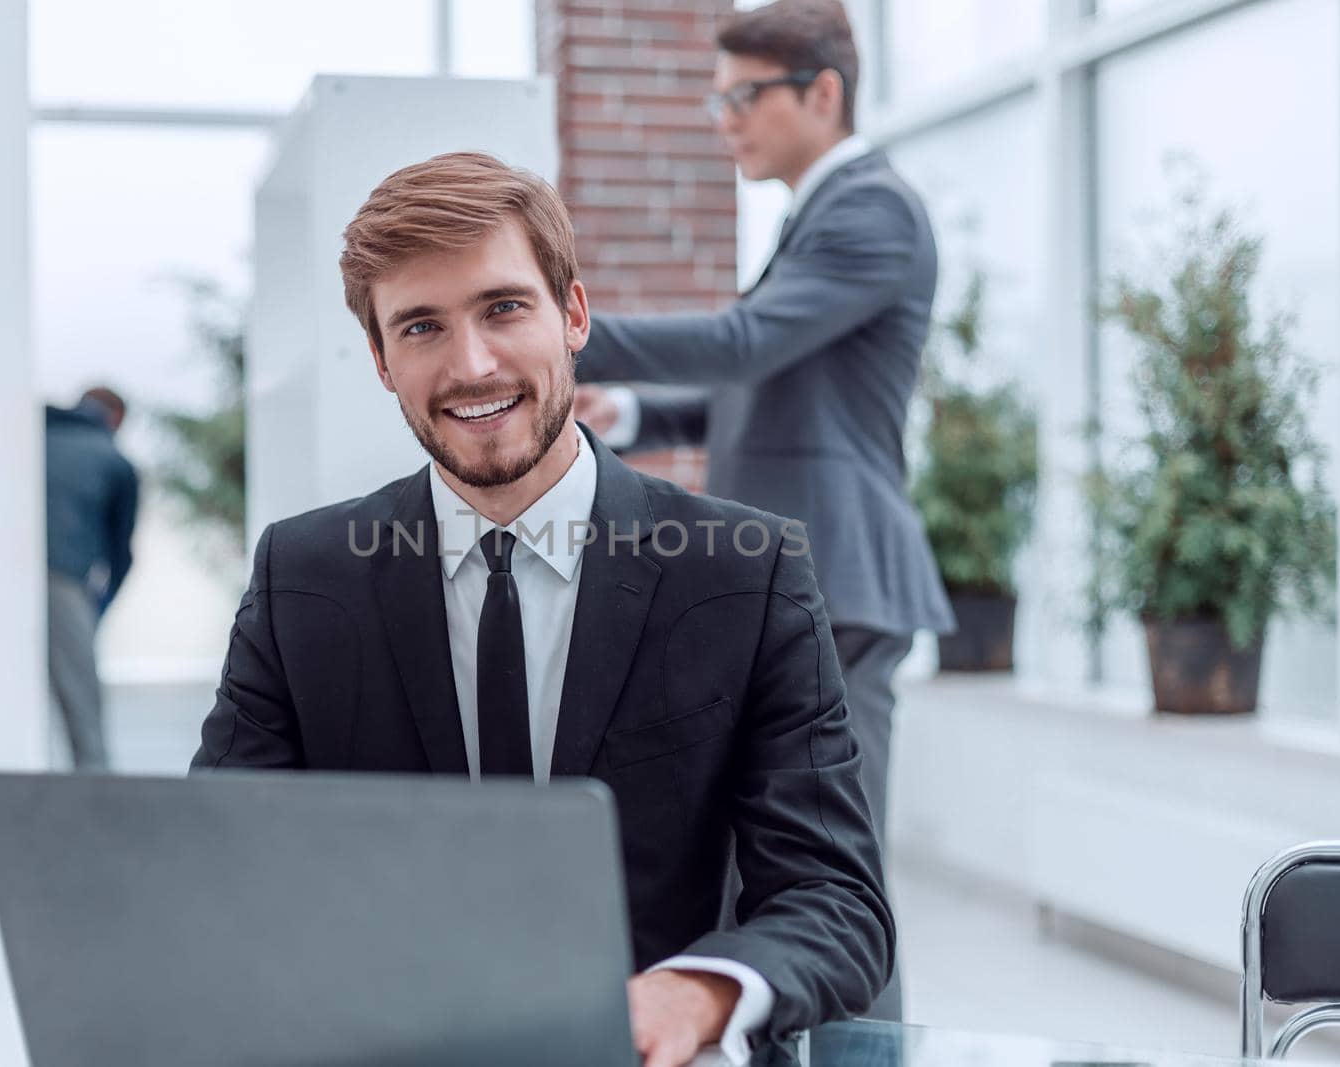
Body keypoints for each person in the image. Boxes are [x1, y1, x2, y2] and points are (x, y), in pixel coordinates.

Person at [191, 152, 892, 1067]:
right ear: (380, 359)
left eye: (503, 308)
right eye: (421, 327)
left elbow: (837, 899)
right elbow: (217, 871)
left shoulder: (744, 573)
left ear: (573, 314)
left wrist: (703, 988)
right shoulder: (303, 579)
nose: (471, 364)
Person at [572, 0, 953, 1020]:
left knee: (834, 877)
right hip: (795, 581)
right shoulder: (818, 214)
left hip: (842, 571)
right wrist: (635, 407)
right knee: (775, 866)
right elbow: (761, 378)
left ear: (820, 92)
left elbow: (744, 345)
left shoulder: (872, 209)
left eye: (743, 95)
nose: (723, 119)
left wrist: (556, 329)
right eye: (717, 96)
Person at [44, 386, 138, 770]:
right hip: (61, 580)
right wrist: (97, 609)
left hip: (2, 578)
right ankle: (97, 797)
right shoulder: (114, 461)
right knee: (82, 704)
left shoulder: (34, 434)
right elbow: (121, 556)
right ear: (115, 418)